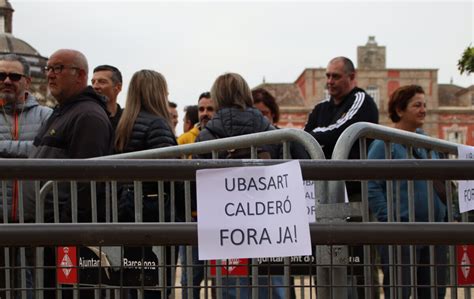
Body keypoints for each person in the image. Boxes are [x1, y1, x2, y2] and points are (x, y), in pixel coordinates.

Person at [31, 49, 113, 298]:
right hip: (51, 227)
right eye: (48, 69)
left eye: (58, 69)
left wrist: (65, 226)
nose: (50, 75)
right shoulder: (63, 111)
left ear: (80, 75)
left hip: (66, 233)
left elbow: (87, 181)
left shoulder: (88, 116)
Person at [195, 73, 285, 299]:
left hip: (225, 229)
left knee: (230, 289)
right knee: (269, 287)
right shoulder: (272, 132)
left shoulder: (206, 137)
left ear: (217, 97)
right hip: (269, 227)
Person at [303, 56, 379, 298]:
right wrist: (312, 138)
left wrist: (313, 138)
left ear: (351, 77)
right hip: (323, 192)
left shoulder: (361, 100)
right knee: (324, 253)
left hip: (354, 190)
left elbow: (343, 131)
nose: (330, 81)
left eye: (335, 76)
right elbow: (305, 139)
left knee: (358, 256)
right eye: (327, 76)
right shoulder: (320, 109)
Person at [368, 85, 447, 299]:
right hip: (401, 234)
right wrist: (389, 218)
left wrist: (448, 215)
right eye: (417, 105)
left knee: (433, 292)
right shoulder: (383, 144)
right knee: (398, 292)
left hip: (434, 232)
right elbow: (372, 185)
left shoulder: (429, 144)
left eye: (424, 105)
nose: (423, 110)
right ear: (400, 110)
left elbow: (443, 181)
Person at [115, 69, 184, 298]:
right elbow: (170, 170)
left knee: (134, 278)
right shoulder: (157, 125)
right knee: (157, 282)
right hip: (154, 210)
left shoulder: (125, 123)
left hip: (127, 207)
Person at [0, 53, 52, 299]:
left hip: (34, 218)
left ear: (27, 82)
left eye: (14, 76)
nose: (7, 80)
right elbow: (34, 149)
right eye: (1, 75)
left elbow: (44, 151)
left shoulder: (46, 115)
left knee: (33, 287)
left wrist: (2, 148)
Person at [91, 64, 123, 129]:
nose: (95, 86)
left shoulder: (129, 120)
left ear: (118, 87)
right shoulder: (87, 116)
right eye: (93, 82)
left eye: (102, 82)